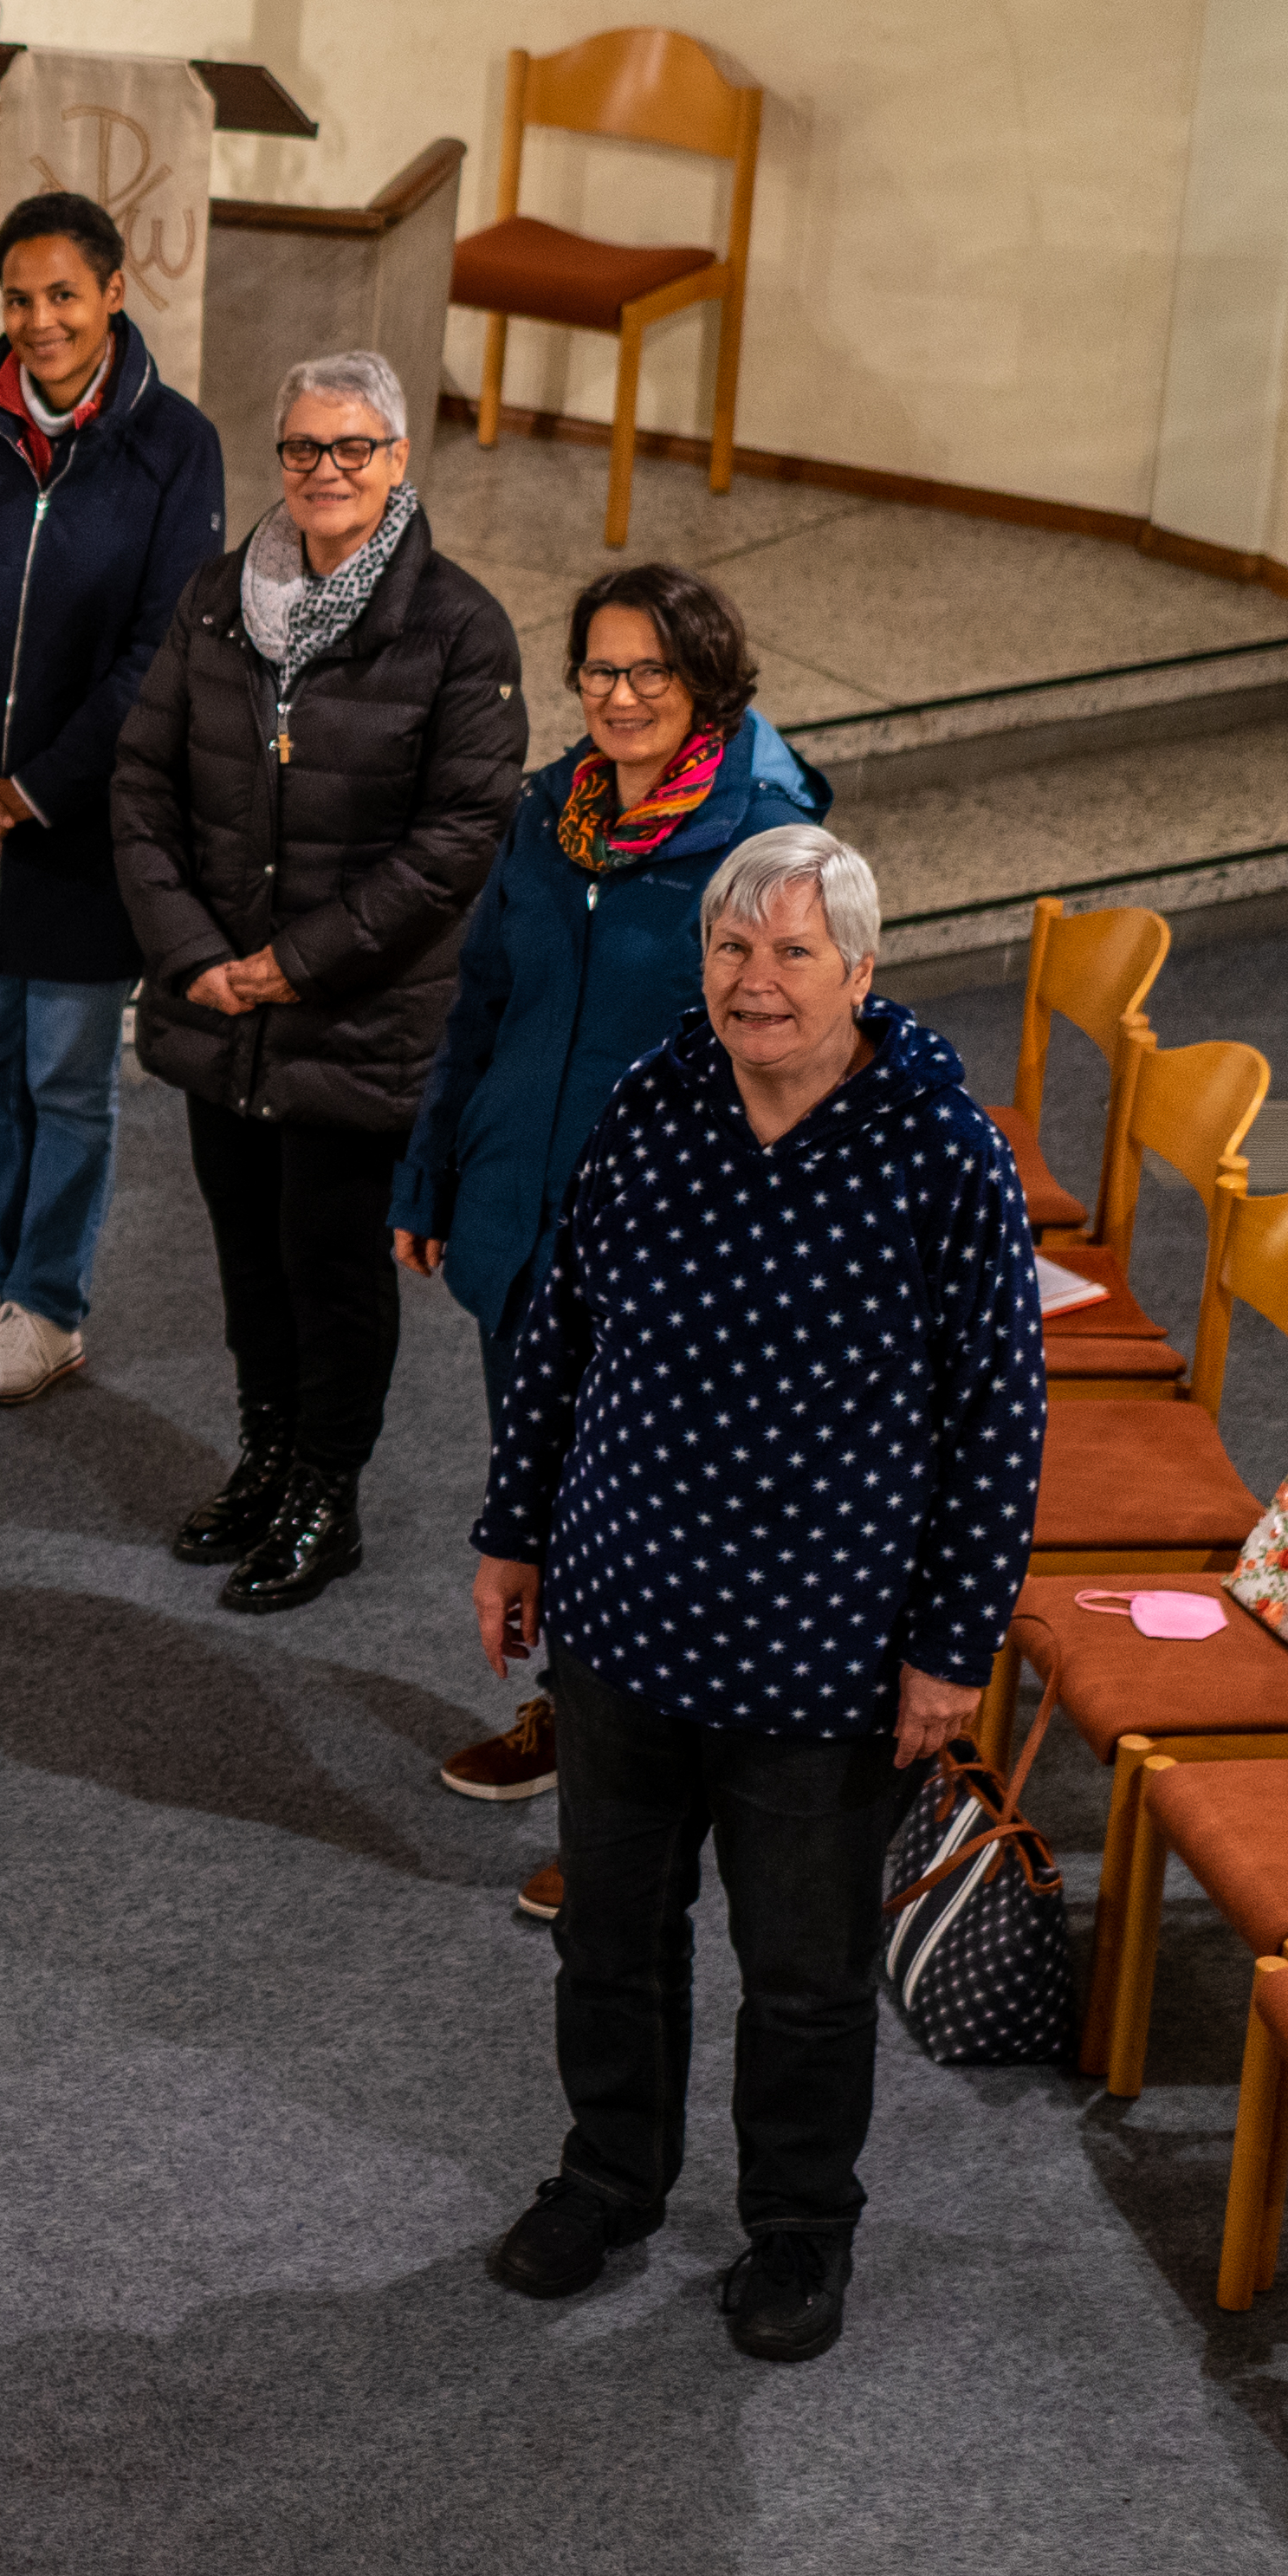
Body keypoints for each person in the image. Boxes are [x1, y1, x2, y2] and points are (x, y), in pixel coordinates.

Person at [470, 823, 1043, 2364]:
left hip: (822, 1651)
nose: (757, 979)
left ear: (862, 971)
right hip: (629, 1620)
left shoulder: (936, 1144)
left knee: (803, 1978)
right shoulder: (653, 1104)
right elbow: (563, 1331)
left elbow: (999, 1412)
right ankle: (610, 2179)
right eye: (733, 948)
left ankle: (799, 2229)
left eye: (795, 952)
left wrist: (952, 1644)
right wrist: (513, 1529)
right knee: (612, 1942)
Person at [390, 562, 825, 1874]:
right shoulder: (549, 815)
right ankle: (578, 1727)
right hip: (524, 1224)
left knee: (638, 1533)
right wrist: (434, 1174)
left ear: (703, 682)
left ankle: (627, 1828)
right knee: (543, 1506)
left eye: (650, 672)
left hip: (667, 1255)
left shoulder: (762, 838)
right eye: (599, 670)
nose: (621, 696)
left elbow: (797, 1056)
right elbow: (482, 1005)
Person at [110, 349, 520, 1612]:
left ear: (397, 459)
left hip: (358, 1016)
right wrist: (196, 960)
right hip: (222, 1008)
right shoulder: (219, 599)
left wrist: (296, 963)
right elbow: (143, 788)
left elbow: (461, 837)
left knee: (331, 1270)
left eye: (353, 450)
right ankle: (268, 1457)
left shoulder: (458, 626)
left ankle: (325, 1495)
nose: (325, 472)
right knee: (246, 1257)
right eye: (303, 450)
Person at [0, 190, 219, 1391]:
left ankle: (50, 1302)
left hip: (81, 823)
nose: (38, 320)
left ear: (114, 293)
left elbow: (158, 649)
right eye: (19, 297)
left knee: (66, 1080)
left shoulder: (175, 444)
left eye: (63, 294)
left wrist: (34, 788)